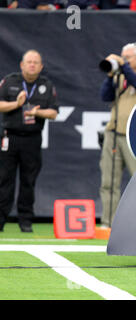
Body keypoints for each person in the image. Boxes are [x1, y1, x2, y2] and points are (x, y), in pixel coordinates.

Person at [99, 43, 136, 228]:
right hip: (113, 134)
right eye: (122, 56)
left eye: (128, 57)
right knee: (108, 181)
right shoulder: (119, 77)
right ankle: (108, 222)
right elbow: (105, 97)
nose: (124, 60)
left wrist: (122, 65)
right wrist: (110, 76)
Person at [0, 50, 58, 232]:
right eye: (29, 62)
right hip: (10, 137)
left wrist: (36, 112)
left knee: (29, 180)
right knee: (4, 180)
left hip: (32, 139)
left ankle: (25, 221)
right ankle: (0, 219)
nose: (32, 65)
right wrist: (16, 104)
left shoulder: (46, 85)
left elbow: (54, 113)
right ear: (22, 64)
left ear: (41, 66)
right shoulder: (10, 81)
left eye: (36, 62)